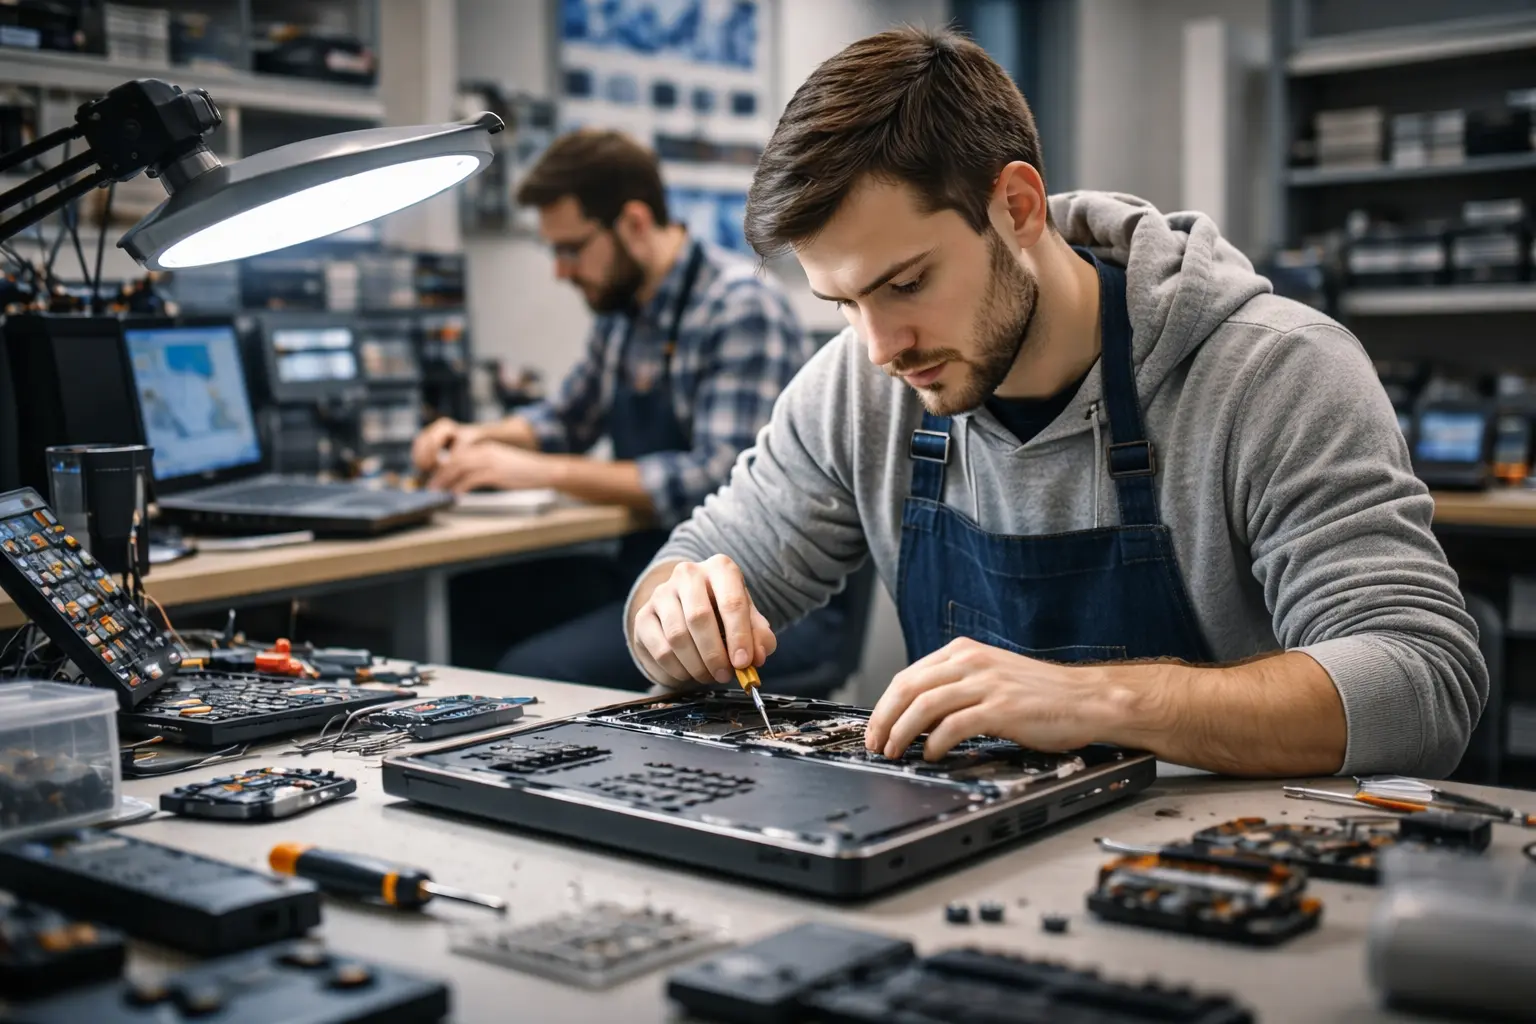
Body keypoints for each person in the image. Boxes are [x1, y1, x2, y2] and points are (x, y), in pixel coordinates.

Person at [624, 27, 1487, 778]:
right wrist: (671, 613)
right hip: (958, 866)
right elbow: (695, 557)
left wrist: (1101, 700)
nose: (882, 347)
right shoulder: (861, 383)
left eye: (908, 283)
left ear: (1017, 206)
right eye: (844, 304)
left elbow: (1423, 684)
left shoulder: (1275, 372)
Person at [414, 129, 839, 687]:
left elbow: (716, 476)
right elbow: (567, 418)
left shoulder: (740, 306)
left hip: (752, 598)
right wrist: (475, 439)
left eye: (570, 249)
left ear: (634, 223)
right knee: (463, 607)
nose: (560, 271)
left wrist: (535, 470)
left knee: (534, 668)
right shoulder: (622, 310)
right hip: (650, 568)